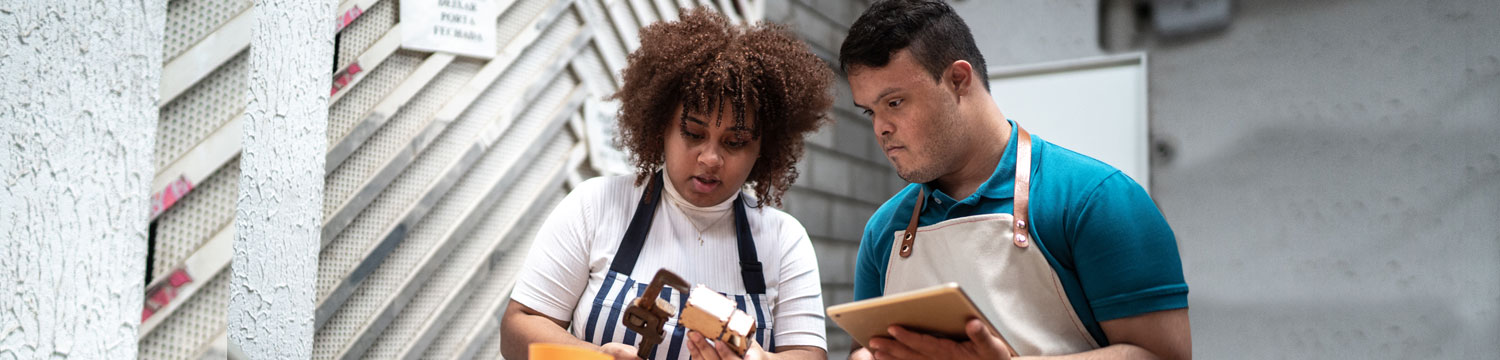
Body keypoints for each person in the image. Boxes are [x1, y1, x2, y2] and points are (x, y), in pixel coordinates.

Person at [839, 1, 1192, 359]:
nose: (880, 127)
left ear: (959, 80)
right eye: (870, 110)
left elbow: (1164, 355)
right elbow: (864, 350)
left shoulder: (1099, 200)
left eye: (895, 102)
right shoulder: (883, 230)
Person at [500, 8, 835, 360]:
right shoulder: (594, 205)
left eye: (734, 142)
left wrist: (759, 359)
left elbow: (808, 355)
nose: (710, 158)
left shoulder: (784, 240)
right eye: (693, 133)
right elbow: (519, 326)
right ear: (661, 127)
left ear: (763, 148)